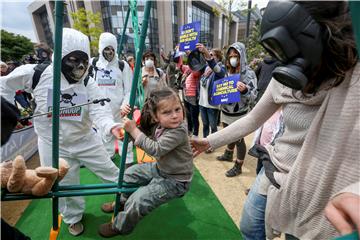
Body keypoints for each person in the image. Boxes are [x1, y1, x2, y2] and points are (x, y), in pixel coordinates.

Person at [191, 1, 358, 239]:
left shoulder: (352, 79)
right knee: (250, 229)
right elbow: (252, 119)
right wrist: (209, 141)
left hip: (323, 191)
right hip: (275, 170)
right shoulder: (286, 75)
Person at [0, 28, 124, 237]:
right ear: (60, 57)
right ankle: (73, 217)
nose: (80, 67)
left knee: (110, 171)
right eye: (73, 60)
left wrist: (111, 126)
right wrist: (10, 112)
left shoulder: (87, 81)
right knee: (64, 184)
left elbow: (99, 109)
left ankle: (123, 197)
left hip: (85, 139)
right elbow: (4, 85)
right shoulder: (37, 74)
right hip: (51, 143)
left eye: (84, 60)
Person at [98, 87, 193, 237]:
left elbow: (156, 149)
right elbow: (143, 134)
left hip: (176, 181)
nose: (175, 116)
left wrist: (134, 131)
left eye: (177, 109)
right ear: (156, 117)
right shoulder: (159, 125)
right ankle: (122, 201)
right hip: (161, 169)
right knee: (128, 174)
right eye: (167, 112)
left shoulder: (178, 130)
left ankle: (120, 226)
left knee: (139, 200)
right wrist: (128, 133)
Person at [89, 32, 134, 168]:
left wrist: (125, 104)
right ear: (101, 48)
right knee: (104, 135)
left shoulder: (122, 65)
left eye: (112, 49)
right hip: (100, 111)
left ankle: (128, 162)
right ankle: (109, 156)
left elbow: (129, 90)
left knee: (123, 135)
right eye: (106, 49)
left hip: (119, 111)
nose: (109, 52)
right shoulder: (93, 64)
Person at [215, 42, 257, 177]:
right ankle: (228, 154)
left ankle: (238, 166)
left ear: (242, 57)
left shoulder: (249, 74)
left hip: (239, 114)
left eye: (236, 56)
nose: (233, 59)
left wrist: (245, 90)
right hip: (226, 111)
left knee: (239, 139)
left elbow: (253, 97)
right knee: (229, 134)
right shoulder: (226, 72)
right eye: (231, 56)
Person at [195, 43, 225, 141]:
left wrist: (206, 53)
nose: (209, 56)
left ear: (218, 58)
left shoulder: (221, 69)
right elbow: (194, 63)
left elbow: (218, 71)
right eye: (209, 54)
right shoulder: (205, 69)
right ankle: (205, 142)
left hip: (212, 105)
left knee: (213, 126)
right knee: (205, 125)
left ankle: (213, 143)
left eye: (212, 55)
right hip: (202, 103)